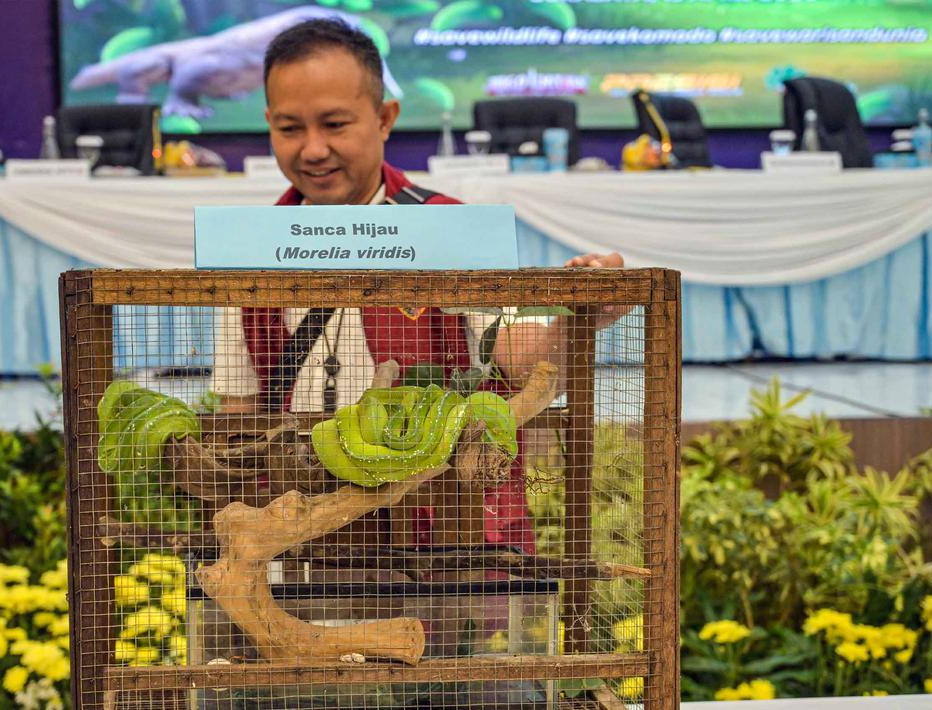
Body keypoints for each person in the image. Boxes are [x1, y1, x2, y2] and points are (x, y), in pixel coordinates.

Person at [211, 18, 624, 551]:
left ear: (385, 118)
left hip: (443, 528)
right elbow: (239, 411)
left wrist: (582, 318)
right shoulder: (252, 249)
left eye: (334, 124)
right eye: (291, 128)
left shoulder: (449, 228)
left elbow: (520, 359)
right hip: (307, 534)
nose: (312, 149)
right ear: (268, 123)